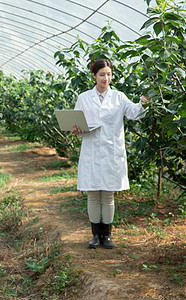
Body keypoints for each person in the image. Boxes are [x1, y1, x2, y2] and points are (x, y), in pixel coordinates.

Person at [72, 59, 147, 249]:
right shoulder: (83, 97)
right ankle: (95, 235)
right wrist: (76, 129)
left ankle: (107, 236)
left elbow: (134, 113)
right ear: (94, 76)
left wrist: (144, 103)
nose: (106, 78)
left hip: (111, 152)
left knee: (107, 195)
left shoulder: (119, 97)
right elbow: (76, 122)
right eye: (102, 74)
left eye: (109, 74)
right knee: (92, 194)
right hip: (91, 151)